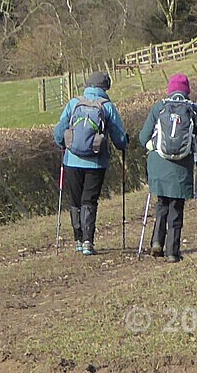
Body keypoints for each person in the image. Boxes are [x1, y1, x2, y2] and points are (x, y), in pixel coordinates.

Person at [139, 74, 197, 263]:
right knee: (176, 207)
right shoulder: (194, 110)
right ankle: (172, 251)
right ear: (187, 91)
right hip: (182, 166)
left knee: (161, 203)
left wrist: (153, 146)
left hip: (159, 164)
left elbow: (142, 137)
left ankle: (157, 242)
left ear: (170, 89)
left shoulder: (159, 108)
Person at [53, 71, 128, 256]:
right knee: (89, 201)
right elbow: (119, 137)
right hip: (96, 163)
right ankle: (88, 241)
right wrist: (125, 144)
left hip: (72, 160)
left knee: (76, 200)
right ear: (105, 87)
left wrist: (64, 144)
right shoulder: (107, 106)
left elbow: (59, 131)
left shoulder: (74, 103)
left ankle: (78, 240)